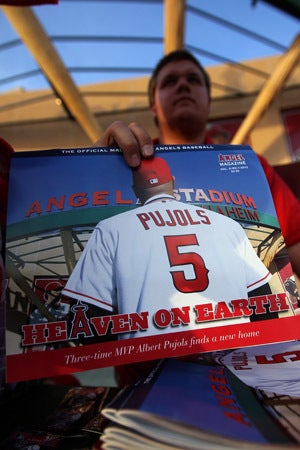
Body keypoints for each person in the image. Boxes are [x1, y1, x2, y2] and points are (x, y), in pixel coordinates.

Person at [94, 49, 300, 281]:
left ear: (209, 101)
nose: (182, 85)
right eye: (170, 82)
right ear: (153, 106)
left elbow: (294, 244)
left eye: (193, 79)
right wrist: (96, 169)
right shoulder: (121, 163)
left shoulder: (251, 166)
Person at [63, 156, 273, 340]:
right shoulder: (227, 224)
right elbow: (263, 300)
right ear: (173, 183)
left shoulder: (111, 228)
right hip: (232, 346)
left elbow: (86, 317)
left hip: (151, 358)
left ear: (136, 190)